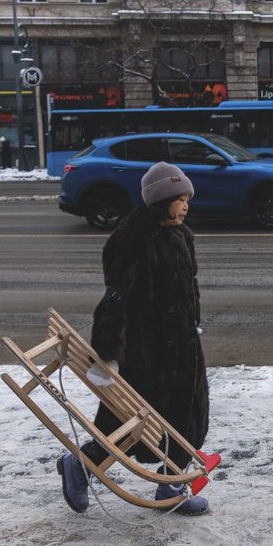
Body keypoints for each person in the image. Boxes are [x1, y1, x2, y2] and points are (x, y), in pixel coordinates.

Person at [56, 162, 211, 515]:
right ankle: (79, 465)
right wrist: (108, 352)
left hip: (183, 348)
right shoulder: (132, 239)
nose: (186, 205)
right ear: (160, 201)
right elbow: (115, 298)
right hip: (147, 352)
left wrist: (194, 323)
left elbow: (190, 286)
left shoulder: (181, 234)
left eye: (187, 198)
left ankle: (170, 488)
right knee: (127, 425)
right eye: (179, 198)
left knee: (186, 423)